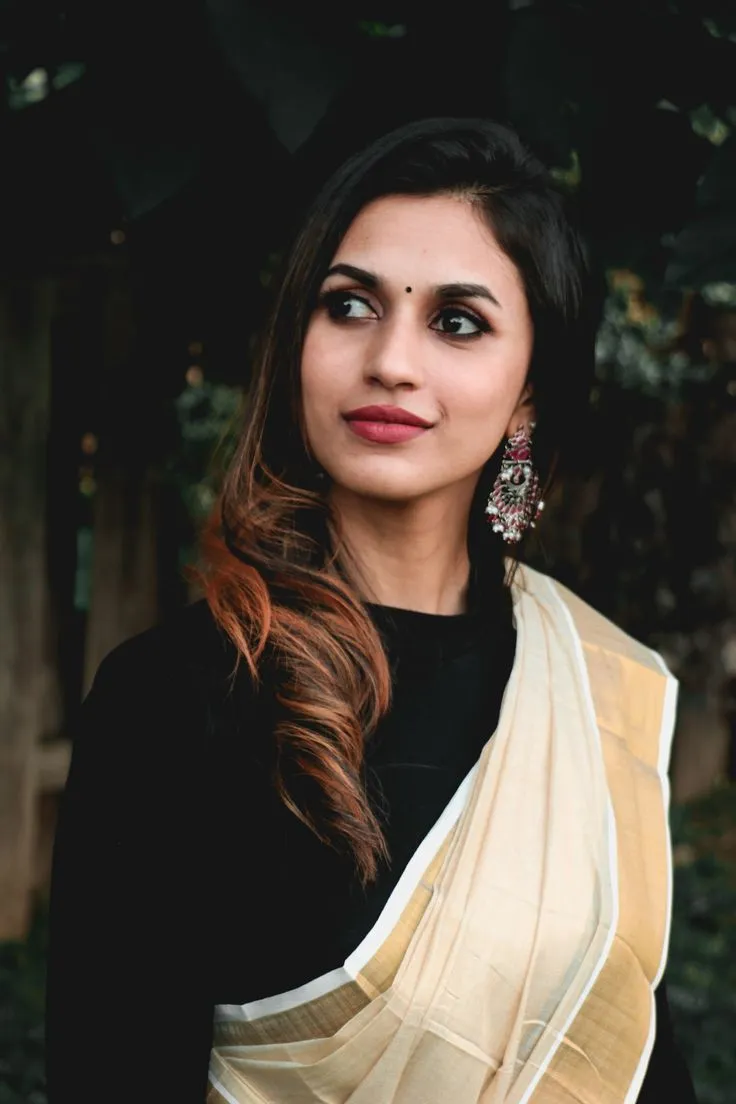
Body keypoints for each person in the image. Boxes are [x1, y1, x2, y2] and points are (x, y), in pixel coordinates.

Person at [46, 118, 698, 1103]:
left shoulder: (597, 688)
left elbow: (614, 1049)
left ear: (528, 396)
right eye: (348, 306)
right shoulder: (174, 697)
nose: (391, 359)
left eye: (458, 321)